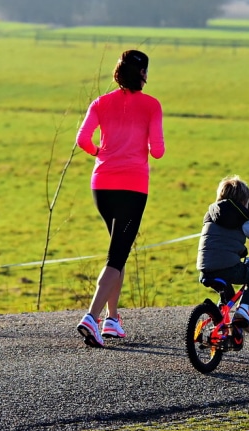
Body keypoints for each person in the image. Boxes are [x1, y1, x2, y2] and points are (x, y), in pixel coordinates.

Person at [74, 49, 165, 348]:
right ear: (142, 74)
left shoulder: (100, 103)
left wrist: (99, 153)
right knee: (117, 255)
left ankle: (112, 320)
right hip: (132, 186)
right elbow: (158, 150)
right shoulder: (152, 106)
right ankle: (92, 316)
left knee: (118, 249)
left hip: (101, 185)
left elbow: (82, 140)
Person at [196, 175, 249, 333]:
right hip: (227, 267)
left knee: (228, 297)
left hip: (205, 269)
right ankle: (243, 311)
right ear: (243, 201)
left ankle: (220, 326)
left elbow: (218, 242)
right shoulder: (240, 216)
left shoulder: (210, 214)